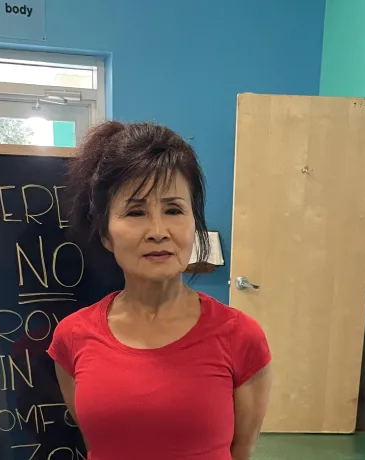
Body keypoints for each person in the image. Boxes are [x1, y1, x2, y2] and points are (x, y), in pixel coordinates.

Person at [48, 121, 272, 460]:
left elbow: (241, 451)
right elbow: (97, 445)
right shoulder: (72, 338)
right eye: (136, 212)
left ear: (194, 223)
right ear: (106, 234)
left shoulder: (242, 338)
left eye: (173, 210)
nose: (158, 231)